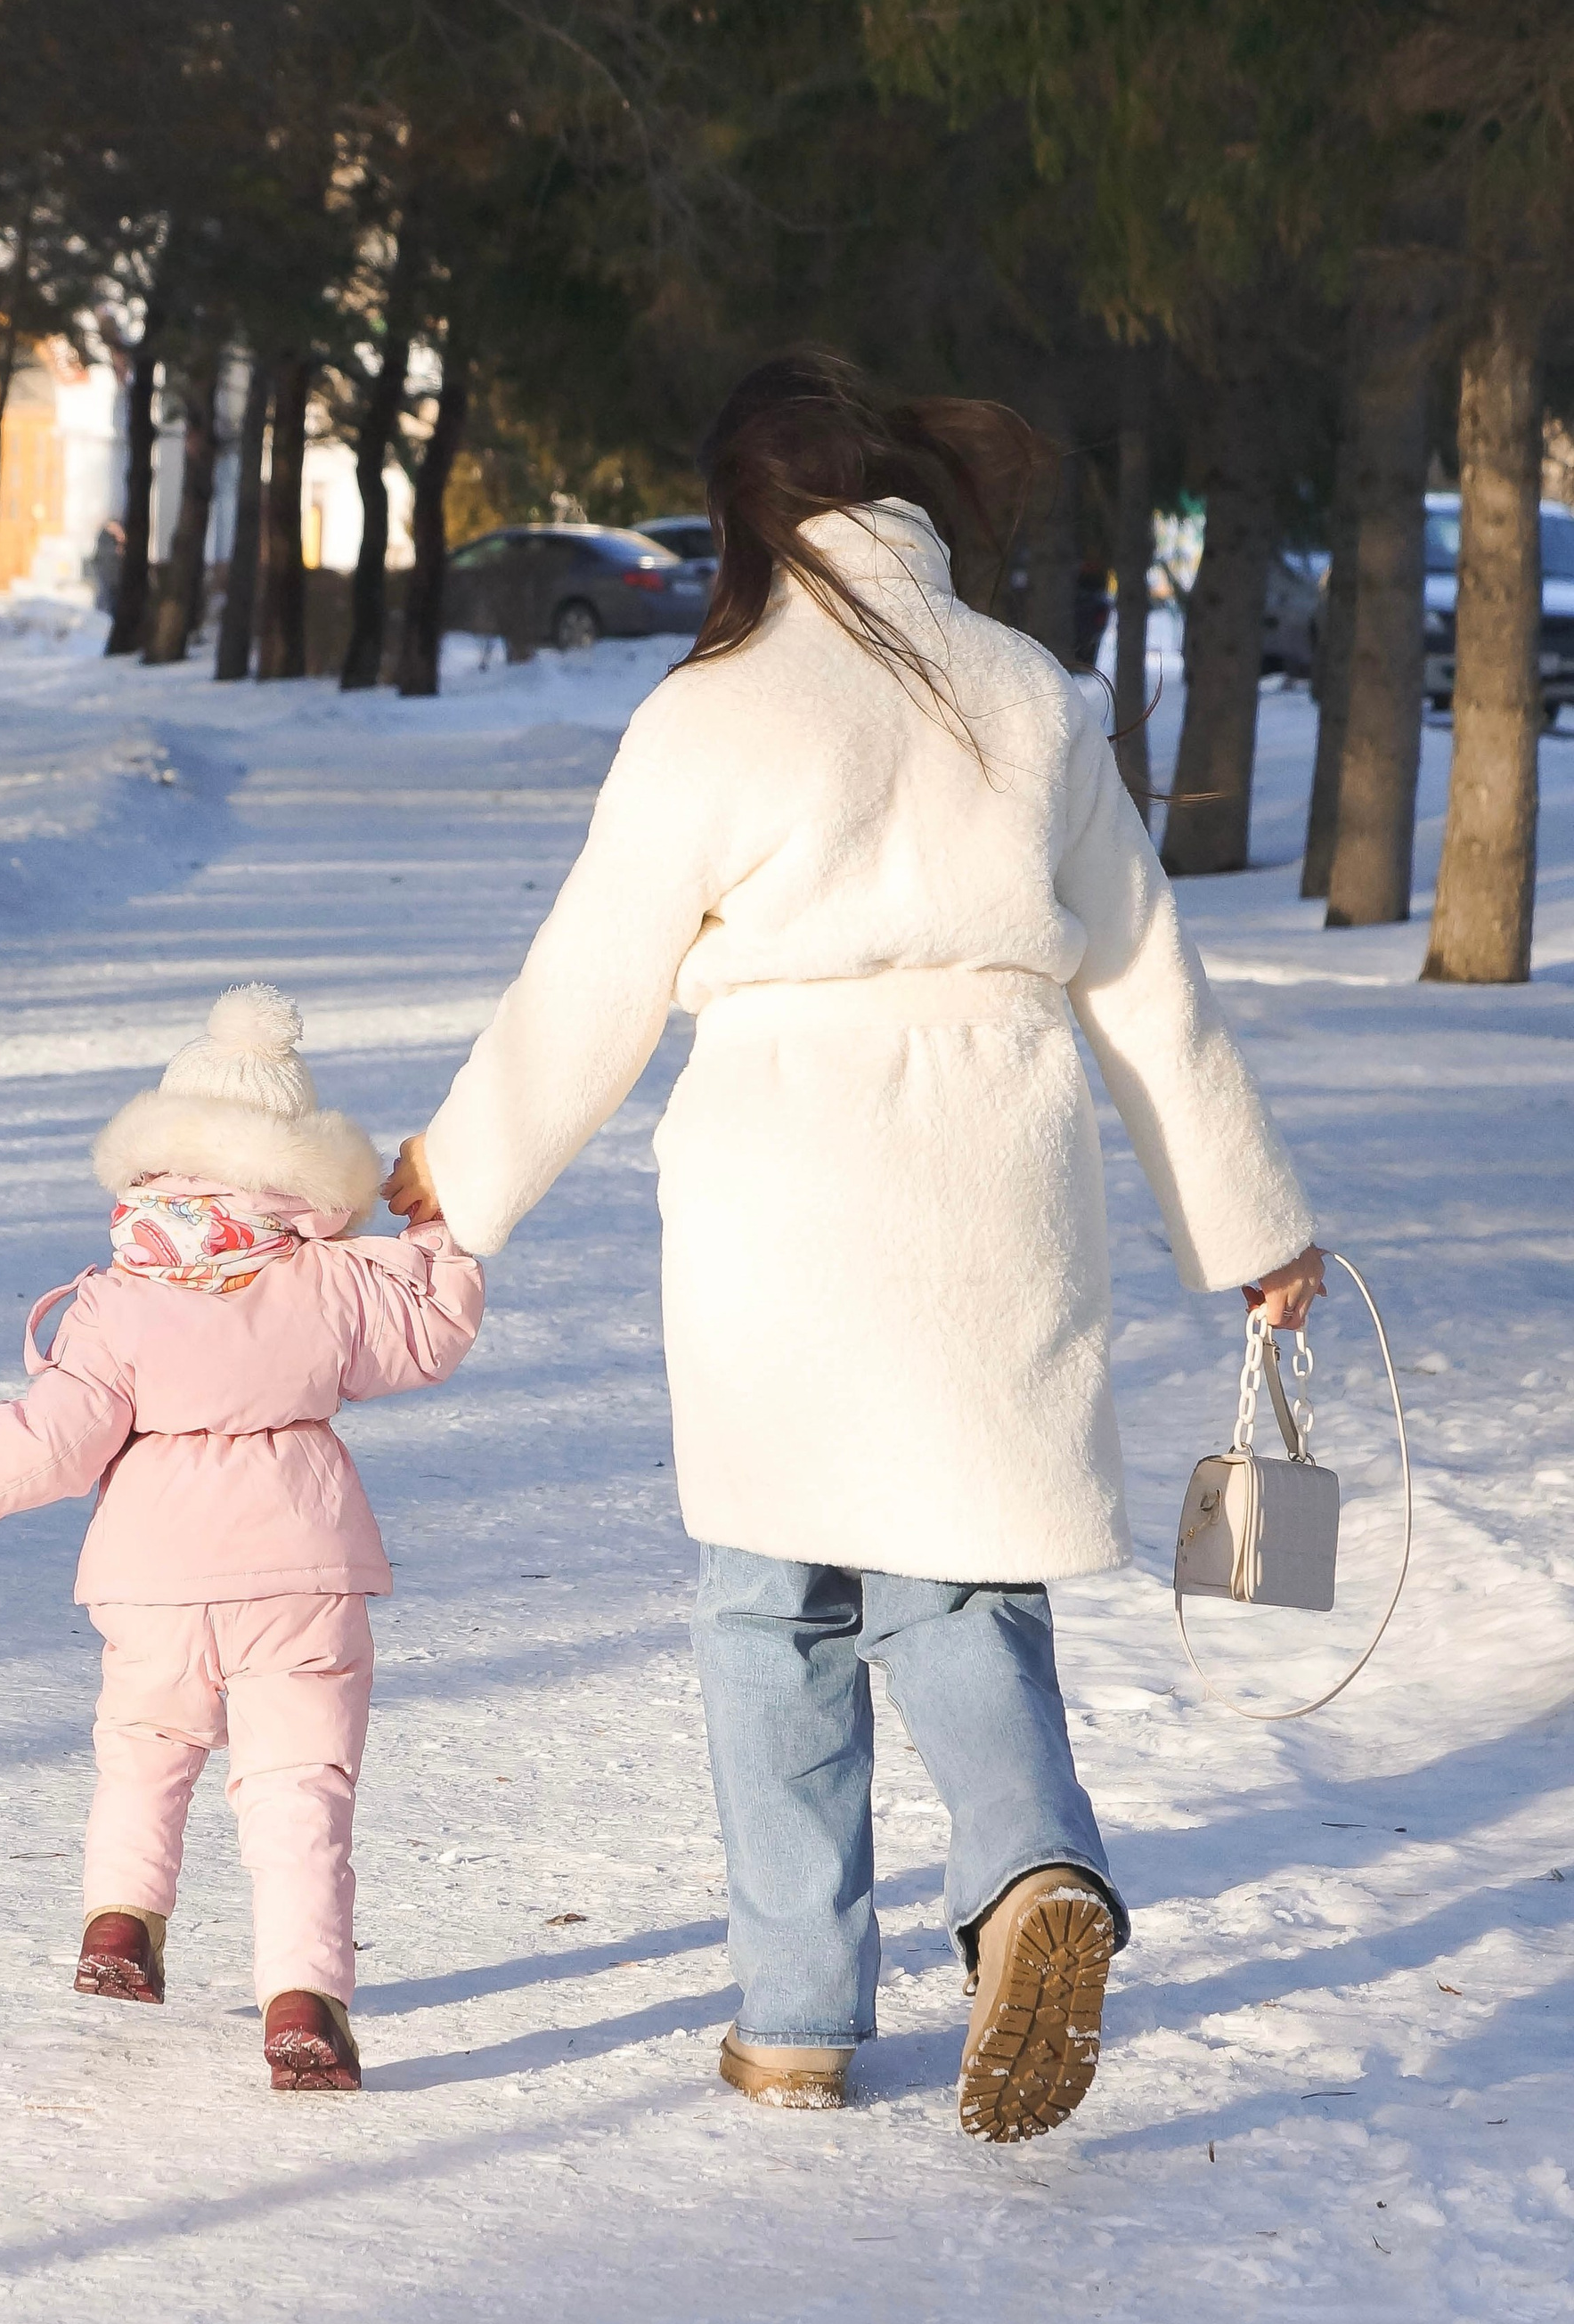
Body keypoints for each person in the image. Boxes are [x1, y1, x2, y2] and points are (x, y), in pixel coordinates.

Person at [384, 350, 1321, 2143]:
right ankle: (1032, 1874)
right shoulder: (1030, 694)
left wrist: (464, 1169)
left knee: (770, 1597)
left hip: (783, 1189)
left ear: (746, 517)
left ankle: (800, 2013)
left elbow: (591, 981)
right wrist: (1250, 1222)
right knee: (960, 1574)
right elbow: (1145, 982)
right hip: (996, 1171)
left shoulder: (714, 711)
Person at [0, 983, 484, 2092]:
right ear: (301, 1167)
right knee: (299, 1782)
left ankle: (121, 1920)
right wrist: (438, 1224)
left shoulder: (117, 1298)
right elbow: (433, 1329)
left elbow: (56, 1430)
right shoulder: (332, 1279)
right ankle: (303, 1996)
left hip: (152, 1574)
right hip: (300, 1569)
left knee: (144, 1745)